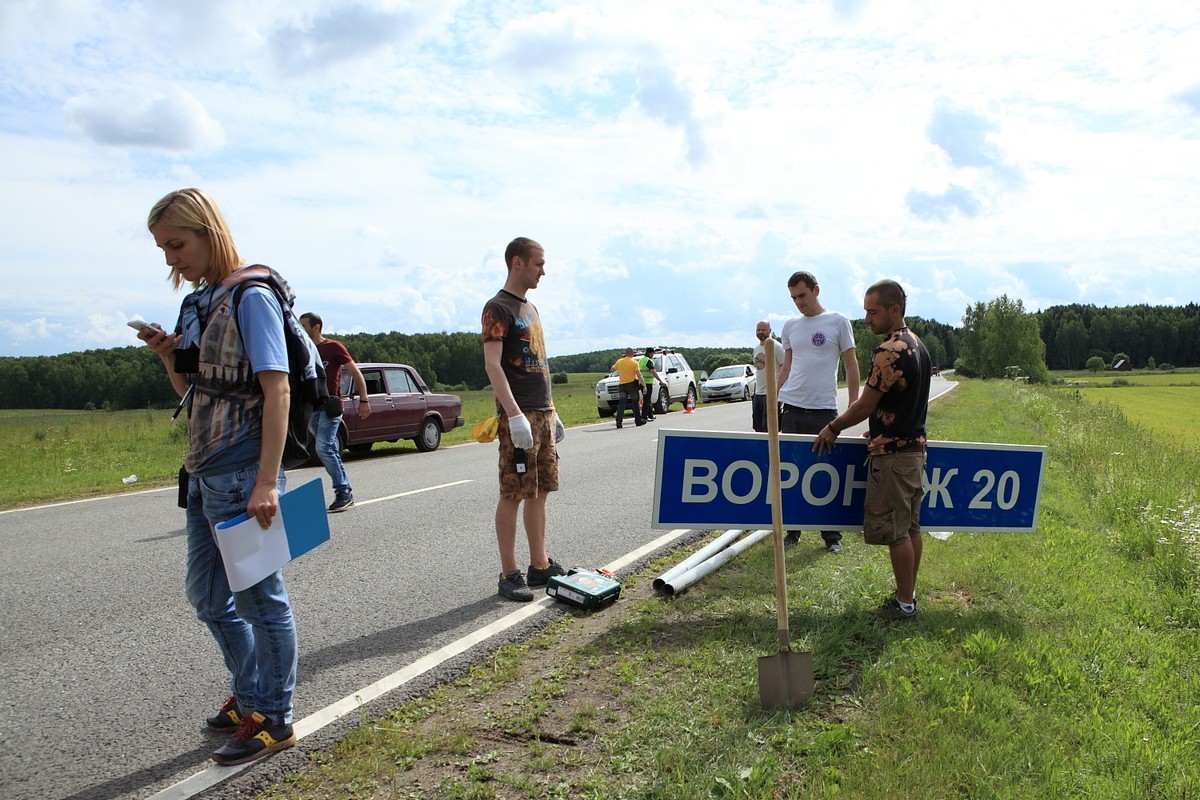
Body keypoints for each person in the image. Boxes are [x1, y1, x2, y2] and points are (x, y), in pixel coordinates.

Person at [137, 188, 298, 765]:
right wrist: (168, 355)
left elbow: (278, 389)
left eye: (177, 245)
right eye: (163, 248)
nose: (170, 259)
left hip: (244, 471)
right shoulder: (199, 303)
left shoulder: (252, 297)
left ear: (208, 232)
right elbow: (193, 392)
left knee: (261, 602)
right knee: (207, 597)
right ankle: (250, 694)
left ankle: (273, 717)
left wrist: (266, 480)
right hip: (205, 473)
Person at [813, 279, 932, 619]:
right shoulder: (918, 345)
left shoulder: (889, 350)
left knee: (896, 534)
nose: (867, 318)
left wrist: (833, 427)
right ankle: (907, 595)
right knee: (910, 529)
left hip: (893, 458)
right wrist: (881, 426)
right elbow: (902, 400)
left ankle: (904, 605)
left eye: (873, 312)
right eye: (865, 311)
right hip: (914, 451)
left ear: (894, 310)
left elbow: (865, 404)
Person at [481, 237, 567, 602]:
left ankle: (539, 565)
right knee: (514, 493)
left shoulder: (531, 309)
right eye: (538, 264)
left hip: (543, 413)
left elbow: (540, 363)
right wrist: (514, 414)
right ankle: (508, 572)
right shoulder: (497, 308)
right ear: (518, 262)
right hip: (519, 416)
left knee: (540, 491)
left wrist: (553, 410)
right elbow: (493, 365)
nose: (543, 271)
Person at [776, 271, 861, 553]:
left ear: (816, 290)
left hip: (823, 410)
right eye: (793, 298)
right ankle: (793, 531)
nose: (798, 302)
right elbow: (787, 366)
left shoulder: (838, 321)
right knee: (791, 472)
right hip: (791, 407)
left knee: (825, 473)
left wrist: (854, 403)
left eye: (802, 295)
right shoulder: (790, 326)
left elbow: (850, 364)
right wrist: (775, 396)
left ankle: (831, 535)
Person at [299, 312, 371, 512]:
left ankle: (343, 492)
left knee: (323, 448)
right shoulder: (303, 348)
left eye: (304, 326)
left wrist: (364, 400)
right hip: (310, 408)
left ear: (316, 327)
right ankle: (345, 491)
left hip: (329, 407)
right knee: (328, 449)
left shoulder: (333, 347)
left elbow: (355, 372)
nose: (301, 329)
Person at [751, 320, 784, 433]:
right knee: (758, 427)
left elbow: (785, 368)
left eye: (763, 330)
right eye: (758, 330)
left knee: (770, 428)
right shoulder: (756, 349)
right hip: (758, 394)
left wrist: (779, 391)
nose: (761, 332)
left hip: (771, 394)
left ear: (770, 331)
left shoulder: (777, 347)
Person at [610, 347, 646, 428]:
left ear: (625, 353)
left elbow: (612, 369)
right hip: (632, 385)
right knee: (635, 403)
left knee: (622, 403)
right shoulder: (634, 363)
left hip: (622, 385)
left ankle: (619, 422)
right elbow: (639, 375)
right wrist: (644, 385)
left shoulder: (620, 361)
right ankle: (638, 421)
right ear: (632, 354)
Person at [637, 347, 663, 422]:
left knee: (647, 400)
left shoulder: (641, 360)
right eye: (653, 354)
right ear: (650, 353)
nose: (653, 355)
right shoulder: (648, 361)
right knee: (646, 400)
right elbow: (653, 371)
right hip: (647, 383)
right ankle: (644, 416)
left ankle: (650, 415)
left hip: (642, 382)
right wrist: (660, 380)